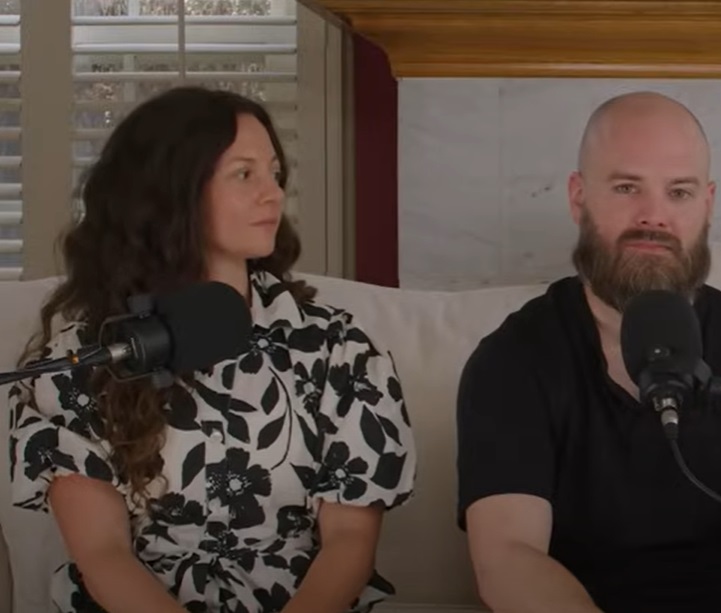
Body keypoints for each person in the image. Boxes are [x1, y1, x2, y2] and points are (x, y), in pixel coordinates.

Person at [8, 86, 416, 612]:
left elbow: (349, 541)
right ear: (170, 193)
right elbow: (103, 554)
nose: (273, 194)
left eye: (274, 173)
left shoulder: (337, 348)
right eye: (244, 174)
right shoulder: (84, 361)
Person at [455, 91, 721, 613]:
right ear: (578, 197)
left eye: (679, 192)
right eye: (627, 187)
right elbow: (509, 556)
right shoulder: (512, 359)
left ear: (707, 204)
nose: (653, 216)